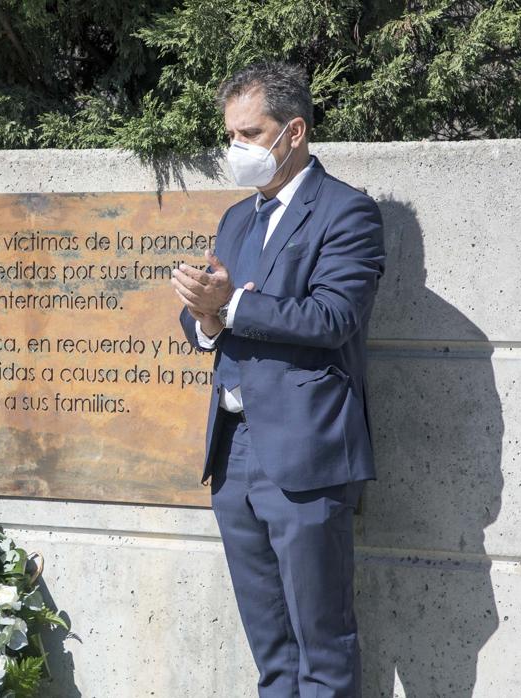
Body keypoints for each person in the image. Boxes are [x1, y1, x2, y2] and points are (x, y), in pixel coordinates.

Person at [172, 62, 385, 697]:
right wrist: (205, 316)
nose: (235, 148)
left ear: (292, 132)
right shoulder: (238, 218)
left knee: (321, 644)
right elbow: (210, 322)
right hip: (234, 452)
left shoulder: (347, 212)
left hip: (304, 454)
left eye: (248, 132)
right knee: (271, 648)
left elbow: (334, 316)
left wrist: (230, 305)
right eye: (230, 133)